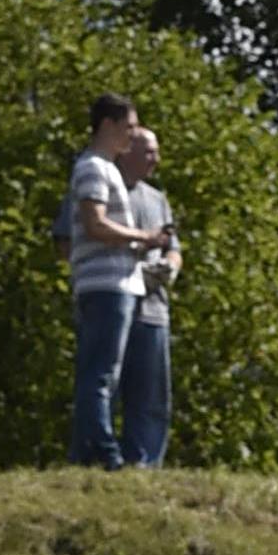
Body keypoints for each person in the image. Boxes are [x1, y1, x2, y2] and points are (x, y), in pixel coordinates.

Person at [64, 92, 157, 469]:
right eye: (128, 127)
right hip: (106, 285)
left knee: (102, 372)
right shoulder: (93, 168)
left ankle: (85, 453)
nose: (132, 136)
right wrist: (143, 238)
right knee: (100, 374)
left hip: (116, 283)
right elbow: (95, 223)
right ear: (108, 125)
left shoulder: (105, 168)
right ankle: (106, 453)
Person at [115, 118, 181, 471]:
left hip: (154, 309)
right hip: (116, 301)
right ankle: (109, 460)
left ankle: (146, 464)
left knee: (153, 396)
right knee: (111, 387)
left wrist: (169, 267)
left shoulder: (158, 199)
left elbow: (175, 247)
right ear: (128, 152)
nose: (155, 159)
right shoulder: (107, 192)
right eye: (149, 152)